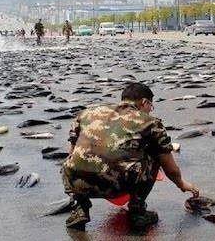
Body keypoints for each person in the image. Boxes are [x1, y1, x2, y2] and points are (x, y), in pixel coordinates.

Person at [62, 82, 199, 230]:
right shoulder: (150, 122)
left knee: (75, 160)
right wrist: (182, 184)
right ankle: (137, 211)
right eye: (150, 107)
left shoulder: (86, 113)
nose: (150, 111)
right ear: (145, 102)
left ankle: (79, 209)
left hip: (78, 183)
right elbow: (169, 168)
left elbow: (72, 151)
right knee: (155, 154)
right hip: (117, 184)